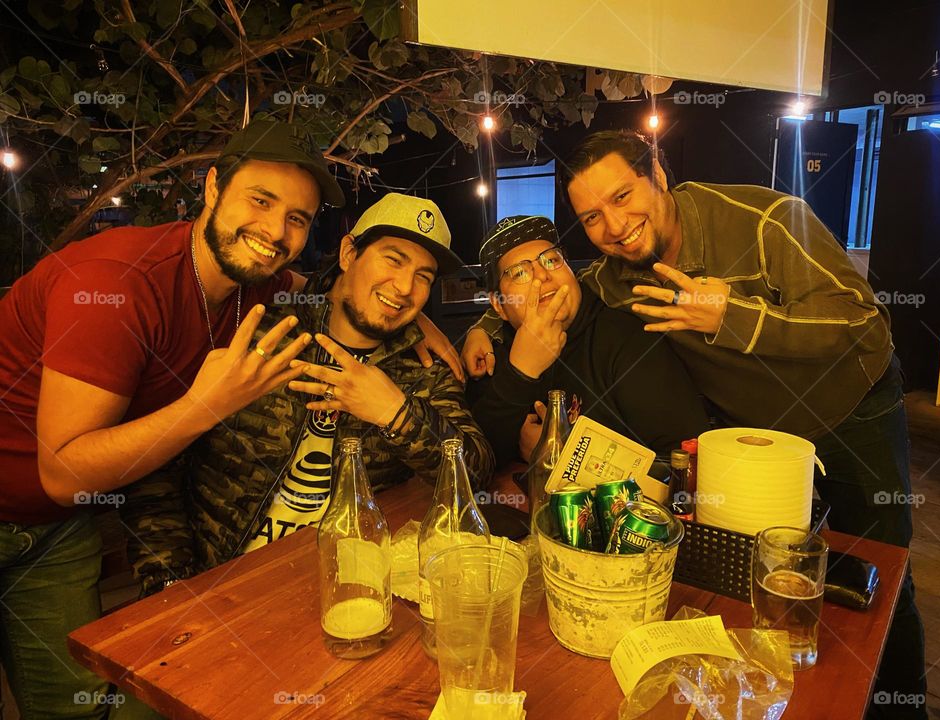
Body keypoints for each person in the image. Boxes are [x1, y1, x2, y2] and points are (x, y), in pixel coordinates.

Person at [463, 130, 925, 720]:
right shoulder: (617, 275)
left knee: (883, 575)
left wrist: (732, 315)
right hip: (746, 436)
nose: (615, 226)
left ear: (658, 174)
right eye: (593, 217)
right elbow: (548, 288)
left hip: (848, 410)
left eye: (623, 196)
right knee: (779, 577)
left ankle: (904, 709)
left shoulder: (765, 221)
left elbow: (865, 324)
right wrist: (482, 326)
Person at [0, 119, 349, 719]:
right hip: (52, 494)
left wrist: (422, 318)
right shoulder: (116, 286)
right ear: (212, 187)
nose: (275, 232)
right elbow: (63, 472)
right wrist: (206, 406)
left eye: (297, 218)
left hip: (55, 531)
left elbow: (328, 288)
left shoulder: (251, 282)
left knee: (76, 709)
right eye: (260, 201)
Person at [120, 193, 495, 597]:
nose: (405, 288)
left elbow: (475, 473)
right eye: (393, 259)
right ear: (349, 253)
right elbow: (161, 463)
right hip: (224, 584)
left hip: (352, 587)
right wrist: (170, 586)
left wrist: (396, 413)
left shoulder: (423, 369)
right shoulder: (260, 332)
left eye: (424, 276)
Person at [467, 215, 708, 468]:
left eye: (551, 260)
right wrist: (521, 372)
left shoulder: (626, 340)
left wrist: (572, 459)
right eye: (519, 273)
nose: (542, 277)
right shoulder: (489, 355)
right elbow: (477, 460)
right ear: (499, 306)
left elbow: (686, 461)